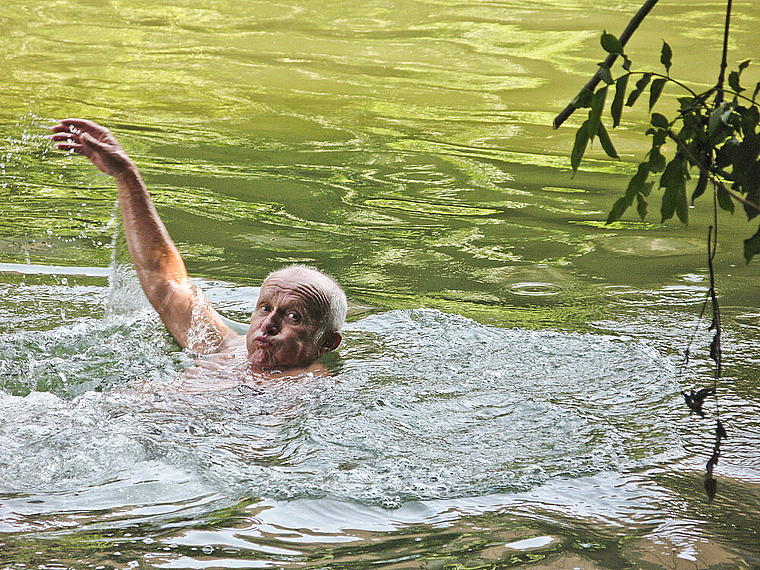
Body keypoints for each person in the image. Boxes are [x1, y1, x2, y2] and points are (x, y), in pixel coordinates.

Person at [50, 119, 346, 377]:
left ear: (327, 343)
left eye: (294, 317)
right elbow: (165, 280)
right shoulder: (221, 345)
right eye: (265, 308)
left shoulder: (307, 383)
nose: (269, 324)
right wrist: (126, 175)